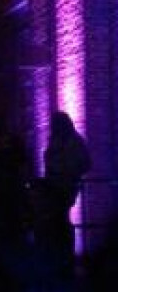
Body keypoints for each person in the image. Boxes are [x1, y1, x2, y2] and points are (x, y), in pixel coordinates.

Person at [40, 112, 91, 265]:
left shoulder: (73, 141)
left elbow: (85, 163)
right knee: (57, 220)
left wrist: (68, 170)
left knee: (60, 219)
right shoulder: (57, 140)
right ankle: (60, 255)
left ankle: (65, 255)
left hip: (65, 185)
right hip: (55, 185)